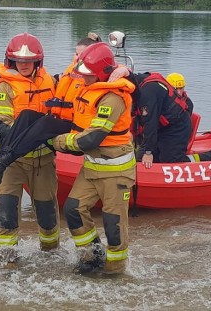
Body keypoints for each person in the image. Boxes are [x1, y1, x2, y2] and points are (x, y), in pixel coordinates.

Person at [0, 32, 60, 266]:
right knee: (6, 211)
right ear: (11, 61)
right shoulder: (5, 85)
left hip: (43, 161)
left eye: (28, 61)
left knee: (47, 214)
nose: (23, 65)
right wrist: (31, 135)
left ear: (37, 62)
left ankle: (51, 255)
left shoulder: (51, 82)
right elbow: (3, 123)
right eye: (19, 61)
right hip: (11, 162)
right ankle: (5, 261)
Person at [50, 42, 136, 274]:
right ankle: (92, 256)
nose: (84, 79)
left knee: (114, 224)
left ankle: (115, 270)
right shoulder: (88, 90)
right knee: (73, 209)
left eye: (88, 75)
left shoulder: (113, 99)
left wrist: (56, 141)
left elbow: (92, 138)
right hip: (92, 168)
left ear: (101, 74)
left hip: (116, 172)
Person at [0, 32, 103, 184]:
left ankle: (2, 161)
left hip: (76, 129)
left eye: (82, 55)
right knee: (27, 115)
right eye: (75, 54)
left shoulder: (96, 77)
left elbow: (115, 73)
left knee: (46, 122)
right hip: (60, 123)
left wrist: (122, 70)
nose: (77, 58)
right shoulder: (67, 75)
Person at [108, 69, 211, 168]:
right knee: (139, 159)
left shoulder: (147, 93)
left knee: (171, 160)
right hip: (161, 127)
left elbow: (150, 124)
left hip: (177, 126)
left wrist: (148, 152)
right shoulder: (137, 83)